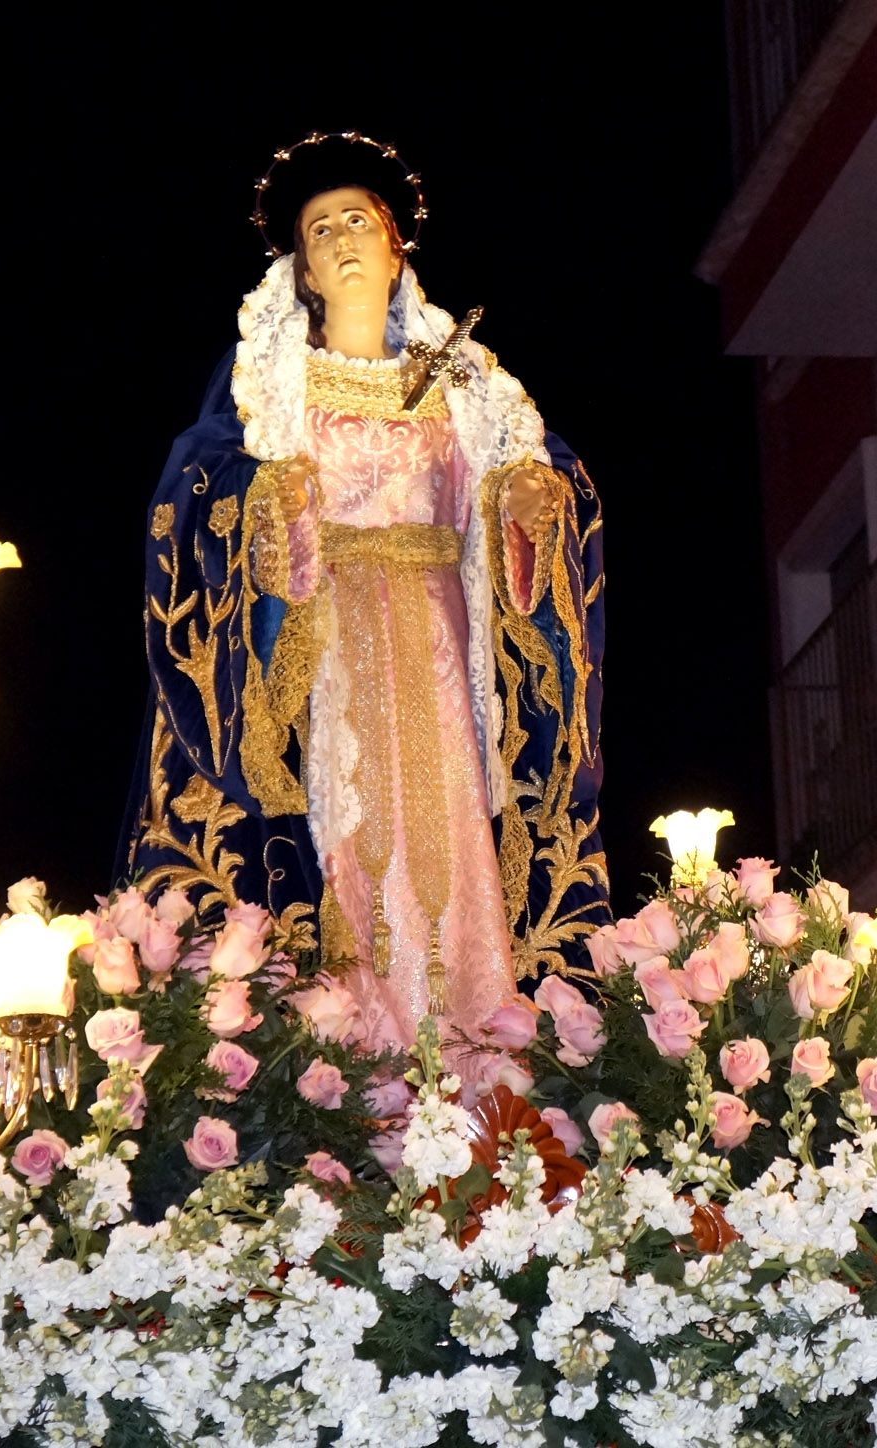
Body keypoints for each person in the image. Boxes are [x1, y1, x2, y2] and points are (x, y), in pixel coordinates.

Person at [119, 133, 611, 1051]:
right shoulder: (269, 384)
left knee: (453, 836)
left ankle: (476, 1041)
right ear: (301, 270)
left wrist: (526, 500)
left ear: (396, 248)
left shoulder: (468, 382)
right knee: (337, 830)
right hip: (321, 631)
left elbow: (520, 481)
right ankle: (346, 1051)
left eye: (358, 221)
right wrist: (267, 496)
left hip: (437, 637)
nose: (341, 238)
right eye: (318, 231)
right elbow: (198, 484)